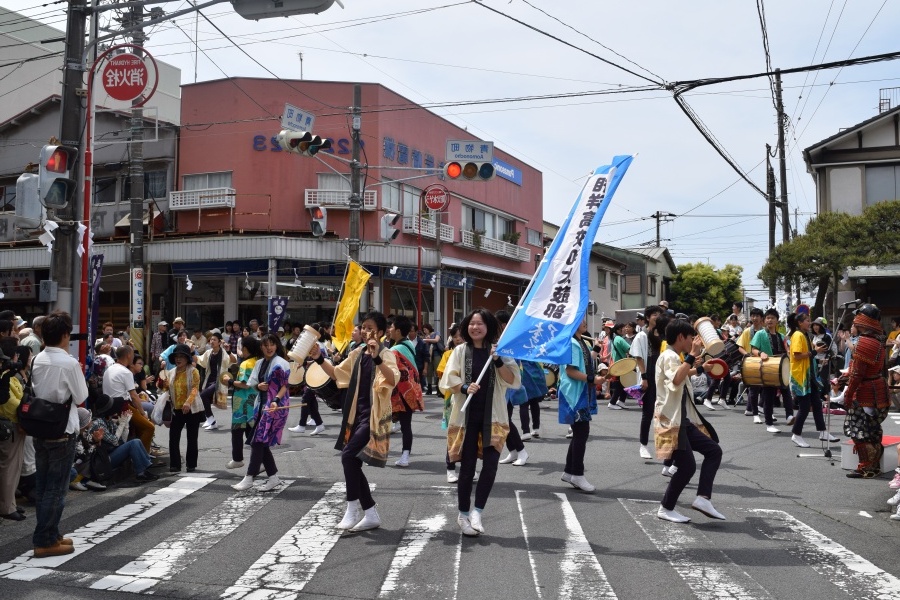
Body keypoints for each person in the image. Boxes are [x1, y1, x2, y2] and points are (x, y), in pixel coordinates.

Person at [310, 311, 398, 532]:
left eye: (370, 328)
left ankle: (353, 508)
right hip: (355, 416)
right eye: (364, 327)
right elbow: (336, 374)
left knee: (348, 456)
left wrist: (377, 358)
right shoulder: (357, 352)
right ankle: (370, 513)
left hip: (374, 418)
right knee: (353, 462)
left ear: (380, 332)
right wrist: (319, 358)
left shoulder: (386, 354)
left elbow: (392, 378)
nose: (365, 331)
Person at [440, 308, 520, 536]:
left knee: (491, 465)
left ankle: (478, 511)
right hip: (466, 419)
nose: (475, 327)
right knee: (467, 469)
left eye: (480, 324)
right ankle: (463, 514)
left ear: (489, 327)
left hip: (493, 418)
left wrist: (498, 361)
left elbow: (513, 380)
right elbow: (448, 379)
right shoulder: (459, 351)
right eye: (472, 323)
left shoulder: (499, 351)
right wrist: (465, 387)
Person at [29, 311, 89, 557]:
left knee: (43, 486)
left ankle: (51, 534)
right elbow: (81, 396)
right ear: (65, 335)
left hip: (40, 426)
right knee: (56, 489)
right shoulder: (69, 363)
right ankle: (44, 540)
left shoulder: (38, 358)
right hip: (62, 429)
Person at [655, 319, 725, 523]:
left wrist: (701, 369)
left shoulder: (673, 356)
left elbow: (682, 375)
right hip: (672, 421)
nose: (693, 341)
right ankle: (666, 508)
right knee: (687, 467)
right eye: (690, 338)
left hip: (681, 420)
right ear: (681, 337)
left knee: (713, 451)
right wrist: (692, 355)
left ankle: (703, 498)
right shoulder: (669, 356)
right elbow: (677, 379)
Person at [232, 334, 290, 491]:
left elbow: (285, 386)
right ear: (261, 347)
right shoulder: (259, 363)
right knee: (261, 442)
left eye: (272, 344)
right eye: (265, 345)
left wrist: (276, 400)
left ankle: (249, 477)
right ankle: (273, 477)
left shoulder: (282, 363)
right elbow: (252, 383)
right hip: (261, 406)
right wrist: (259, 387)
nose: (269, 348)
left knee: (258, 440)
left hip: (275, 407)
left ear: (276, 346)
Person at [842, 304, 891, 478]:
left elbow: (857, 374)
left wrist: (848, 395)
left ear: (863, 319)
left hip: (866, 392)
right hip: (877, 388)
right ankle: (874, 465)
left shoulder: (865, 342)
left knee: (859, 430)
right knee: (872, 429)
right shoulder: (878, 339)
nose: (854, 321)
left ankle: (867, 467)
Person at [559, 317, 602, 492]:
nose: (585, 322)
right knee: (582, 433)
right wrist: (592, 379)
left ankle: (569, 472)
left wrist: (596, 349)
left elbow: (584, 362)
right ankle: (577, 474)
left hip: (579, 393)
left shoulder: (580, 341)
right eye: (581, 319)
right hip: (574, 395)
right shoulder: (572, 342)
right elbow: (571, 371)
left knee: (579, 433)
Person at [787, 313, 839, 448]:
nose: (809, 323)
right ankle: (796, 434)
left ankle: (823, 432)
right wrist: (815, 351)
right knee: (804, 407)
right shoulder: (798, 335)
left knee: (817, 403)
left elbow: (807, 356)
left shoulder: (805, 335)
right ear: (799, 323)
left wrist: (818, 359)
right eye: (807, 320)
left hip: (810, 375)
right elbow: (797, 355)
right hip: (801, 377)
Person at [88, 395, 158, 483]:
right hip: (104, 460)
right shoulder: (98, 423)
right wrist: (122, 424)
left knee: (137, 441)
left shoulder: (108, 421)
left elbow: (122, 441)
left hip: (110, 454)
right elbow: (114, 441)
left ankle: (143, 470)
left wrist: (126, 425)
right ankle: (141, 472)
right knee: (134, 443)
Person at [103, 345, 156, 454]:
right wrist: (143, 413)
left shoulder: (110, 369)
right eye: (132, 354)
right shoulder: (125, 372)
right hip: (123, 408)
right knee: (149, 427)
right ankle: (143, 456)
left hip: (109, 407)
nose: (133, 357)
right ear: (128, 355)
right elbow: (134, 396)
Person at [386, 316, 424, 468]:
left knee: (381, 423)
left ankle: (378, 453)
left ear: (398, 331)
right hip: (410, 391)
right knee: (406, 425)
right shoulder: (408, 345)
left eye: (391, 327)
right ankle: (405, 455)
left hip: (398, 393)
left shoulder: (395, 350)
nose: (389, 329)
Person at [161, 343, 203, 473]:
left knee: (192, 438)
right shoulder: (171, 372)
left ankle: (191, 464)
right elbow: (165, 389)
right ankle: (175, 464)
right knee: (173, 437)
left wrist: (188, 402)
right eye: (176, 356)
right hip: (176, 409)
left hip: (192, 409)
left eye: (181, 356)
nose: (178, 359)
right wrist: (162, 383)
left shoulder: (194, 371)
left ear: (187, 358)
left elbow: (195, 389)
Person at [751, 308, 795, 433]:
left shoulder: (782, 336)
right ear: (764, 320)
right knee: (769, 396)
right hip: (768, 368)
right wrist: (761, 353)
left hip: (781, 368)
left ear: (777, 321)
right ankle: (769, 424)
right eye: (768, 318)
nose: (770, 320)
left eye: (772, 318)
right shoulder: (760, 334)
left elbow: (789, 349)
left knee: (786, 392)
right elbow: (753, 349)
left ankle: (789, 416)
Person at [495, 310, 530, 467]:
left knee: (505, 420)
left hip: (509, 386)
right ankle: (513, 451)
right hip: (502, 386)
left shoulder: (510, 340)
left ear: (503, 325)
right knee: (504, 420)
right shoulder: (501, 339)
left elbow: (513, 366)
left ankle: (521, 451)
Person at [0, 345, 28, 520]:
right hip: (10, 426)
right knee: (9, 467)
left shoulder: (8, 376)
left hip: (14, 425)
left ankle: (10, 503)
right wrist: (27, 412)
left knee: (13, 466)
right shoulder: (4, 377)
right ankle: (7, 507)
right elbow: (10, 403)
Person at [227, 336, 261, 470]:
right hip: (255, 401)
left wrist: (229, 381)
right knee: (252, 432)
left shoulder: (246, 364)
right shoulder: (259, 361)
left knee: (237, 432)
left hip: (242, 403)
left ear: (245, 349)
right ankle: (260, 460)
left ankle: (237, 459)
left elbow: (244, 384)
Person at [196, 332, 236, 431]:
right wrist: (192, 352)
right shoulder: (208, 352)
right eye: (211, 339)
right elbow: (201, 361)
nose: (212, 341)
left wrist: (229, 351)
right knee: (205, 398)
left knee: (203, 395)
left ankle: (211, 420)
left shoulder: (224, 353)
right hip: (209, 379)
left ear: (219, 342)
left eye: (214, 340)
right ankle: (209, 419)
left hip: (220, 380)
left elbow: (234, 360)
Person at [607, 322, 632, 409]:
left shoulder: (615, 338)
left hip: (618, 364)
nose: (625, 329)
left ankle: (621, 401)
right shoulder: (620, 339)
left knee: (624, 383)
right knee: (621, 384)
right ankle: (612, 402)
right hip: (622, 364)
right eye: (624, 328)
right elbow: (630, 349)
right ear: (618, 330)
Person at [421, 324, 444, 396]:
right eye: (423, 330)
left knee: (437, 371)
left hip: (436, 354)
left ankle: (438, 388)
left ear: (429, 328)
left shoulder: (436, 333)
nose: (424, 331)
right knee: (429, 371)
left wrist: (426, 340)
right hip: (428, 355)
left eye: (425, 329)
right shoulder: (425, 336)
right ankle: (429, 387)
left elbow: (436, 340)